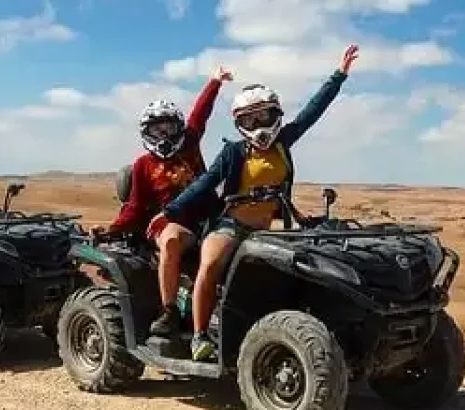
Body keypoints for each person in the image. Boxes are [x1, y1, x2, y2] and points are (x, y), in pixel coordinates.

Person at [148, 44, 360, 361]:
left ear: (275, 114)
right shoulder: (234, 152)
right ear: (239, 124)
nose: (258, 125)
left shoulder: (283, 143)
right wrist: (169, 212)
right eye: (249, 120)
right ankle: (199, 336)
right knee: (208, 267)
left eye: (263, 116)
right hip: (230, 226)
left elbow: (312, 112)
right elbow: (206, 183)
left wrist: (338, 76)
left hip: (269, 229)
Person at [95, 66, 232, 339]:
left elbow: (200, 113)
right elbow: (134, 207)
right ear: (147, 133)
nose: (164, 136)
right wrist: (111, 229)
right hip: (175, 228)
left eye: (169, 128)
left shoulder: (190, 143)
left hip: (209, 221)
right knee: (169, 237)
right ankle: (168, 312)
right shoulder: (143, 166)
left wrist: (215, 82)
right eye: (157, 130)